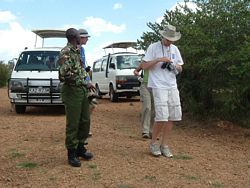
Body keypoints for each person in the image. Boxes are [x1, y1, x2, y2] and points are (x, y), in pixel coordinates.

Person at [143, 24, 184, 158]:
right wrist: (159, 59)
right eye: (167, 39)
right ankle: (153, 143)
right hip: (158, 85)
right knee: (161, 117)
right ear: (162, 37)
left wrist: (176, 66)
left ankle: (164, 145)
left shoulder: (175, 49)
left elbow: (181, 68)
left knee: (173, 116)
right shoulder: (153, 47)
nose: (170, 42)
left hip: (172, 85)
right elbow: (145, 66)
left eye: (172, 40)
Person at [58, 28, 94, 167]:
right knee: (73, 123)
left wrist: (87, 82)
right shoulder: (65, 52)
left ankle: (80, 148)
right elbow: (63, 75)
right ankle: (71, 153)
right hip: (72, 91)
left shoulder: (77, 51)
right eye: (79, 35)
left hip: (82, 90)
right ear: (74, 37)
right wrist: (82, 82)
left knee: (85, 121)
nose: (81, 37)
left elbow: (79, 70)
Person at [78, 28, 96, 137]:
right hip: (80, 82)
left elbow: (82, 66)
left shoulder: (83, 50)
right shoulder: (74, 50)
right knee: (84, 105)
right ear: (80, 38)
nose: (87, 40)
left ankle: (84, 126)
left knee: (92, 103)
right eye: (86, 37)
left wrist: (87, 73)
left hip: (86, 80)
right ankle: (82, 128)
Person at [133, 63, 154, 139]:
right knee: (147, 107)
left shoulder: (159, 60)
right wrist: (139, 77)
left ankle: (151, 131)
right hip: (145, 85)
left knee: (154, 110)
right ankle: (145, 131)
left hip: (156, 86)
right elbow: (136, 71)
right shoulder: (145, 62)